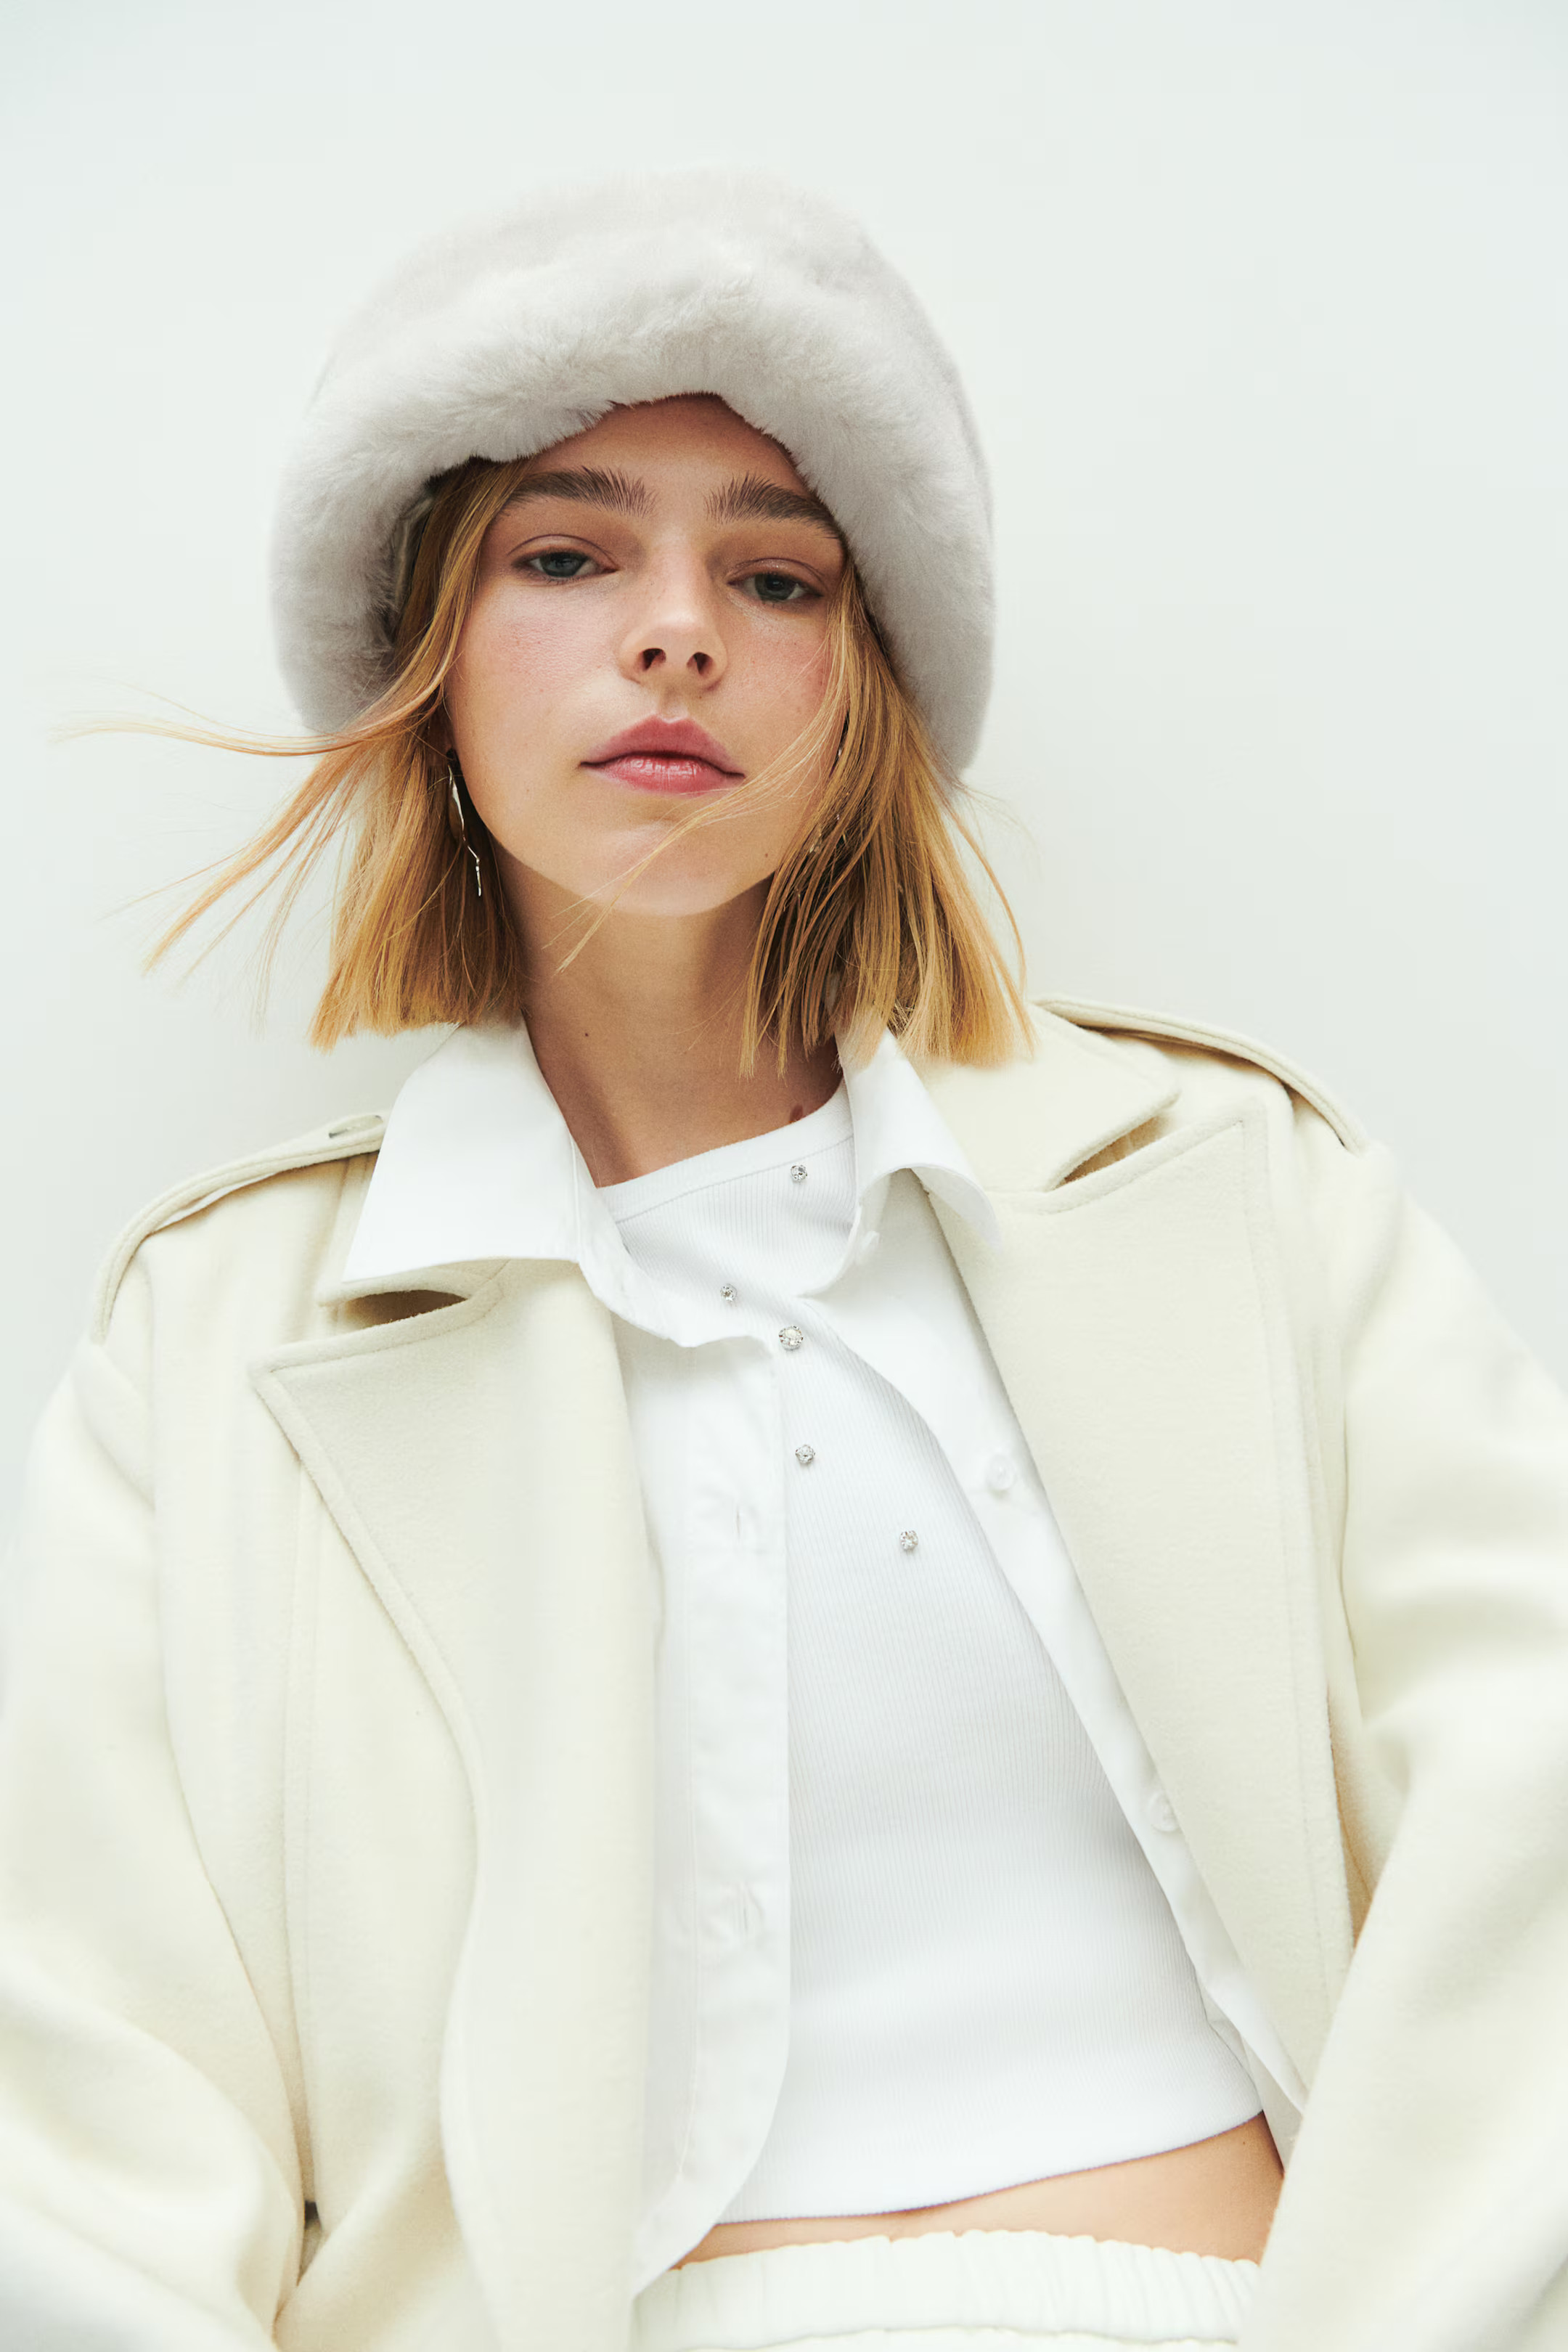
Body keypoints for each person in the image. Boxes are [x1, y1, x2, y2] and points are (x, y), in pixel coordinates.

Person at [2, 171, 1566, 2352]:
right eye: (566, 556)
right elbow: (85, 2109)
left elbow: (1533, 1838)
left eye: (777, 574)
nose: (677, 634)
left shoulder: (1239, 1190)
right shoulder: (213, 1347)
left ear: (870, 683)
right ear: (426, 654)